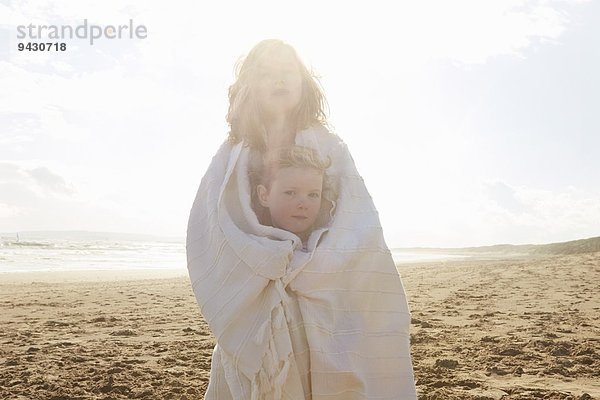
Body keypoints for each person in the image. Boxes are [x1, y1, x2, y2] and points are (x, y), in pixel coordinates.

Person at [186, 39, 417, 399]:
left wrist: (308, 264)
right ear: (250, 85)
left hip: (323, 284)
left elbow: (357, 222)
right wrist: (268, 260)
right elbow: (215, 225)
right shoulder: (233, 153)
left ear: (303, 80)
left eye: (287, 71)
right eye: (266, 73)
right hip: (257, 292)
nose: (278, 79)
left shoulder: (330, 147)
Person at [253, 145, 332, 250]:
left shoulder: (330, 248)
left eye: (313, 195)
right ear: (264, 196)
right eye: (290, 193)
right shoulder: (250, 247)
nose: (303, 205)